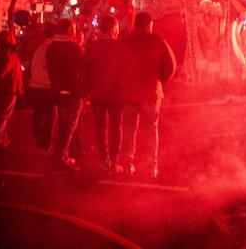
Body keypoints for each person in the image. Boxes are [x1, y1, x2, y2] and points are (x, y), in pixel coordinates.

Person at [118, 12, 176, 179]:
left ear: (135, 24)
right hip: (151, 92)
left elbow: (117, 65)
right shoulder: (158, 42)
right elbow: (170, 66)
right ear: (150, 25)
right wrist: (159, 81)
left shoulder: (125, 42)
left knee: (129, 128)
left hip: (129, 93)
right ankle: (151, 166)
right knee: (150, 130)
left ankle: (128, 164)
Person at [84, 16, 123, 173]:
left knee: (101, 128)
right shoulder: (120, 46)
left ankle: (104, 160)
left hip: (97, 92)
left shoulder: (92, 46)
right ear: (114, 28)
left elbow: (85, 69)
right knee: (116, 127)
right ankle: (114, 161)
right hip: (115, 94)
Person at [46, 19, 86, 170]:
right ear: (70, 30)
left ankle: (59, 154)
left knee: (62, 124)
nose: (75, 31)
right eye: (74, 29)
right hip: (72, 92)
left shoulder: (51, 48)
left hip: (57, 91)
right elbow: (83, 70)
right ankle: (62, 155)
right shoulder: (75, 48)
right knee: (69, 126)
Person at [0, 31, 24, 148]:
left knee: (0, 113)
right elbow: (7, 67)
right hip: (8, 88)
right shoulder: (10, 53)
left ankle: (2, 134)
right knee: (5, 114)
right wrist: (1, 75)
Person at [28, 22, 56, 152]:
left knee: (38, 114)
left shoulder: (41, 47)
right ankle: (45, 143)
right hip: (46, 87)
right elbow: (52, 69)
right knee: (50, 116)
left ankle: (40, 141)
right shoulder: (51, 47)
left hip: (35, 86)